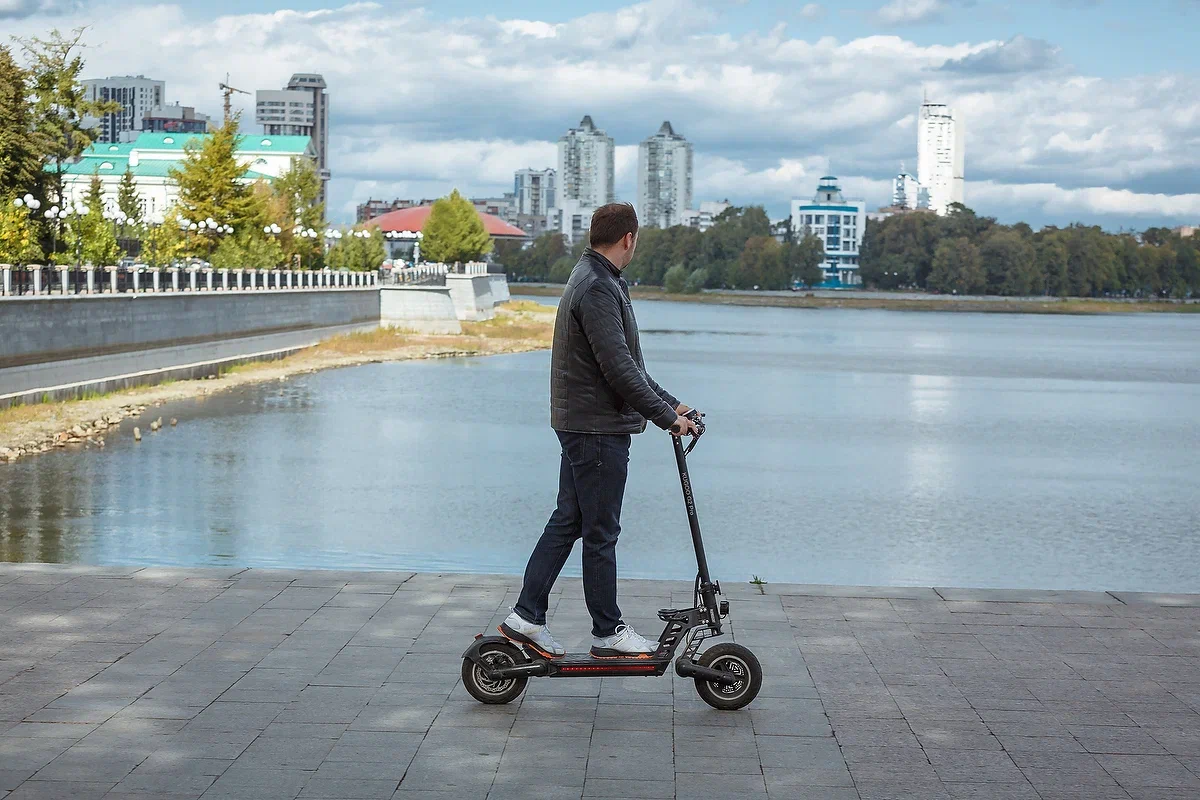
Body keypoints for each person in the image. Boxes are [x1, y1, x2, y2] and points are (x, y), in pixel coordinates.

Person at [501, 203, 698, 658]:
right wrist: (667, 418)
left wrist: (673, 404)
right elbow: (619, 372)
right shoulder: (598, 288)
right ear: (628, 238)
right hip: (596, 430)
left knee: (569, 519)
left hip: (584, 423)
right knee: (601, 530)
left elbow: (626, 365)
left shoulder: (594, 279)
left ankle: (526, 617)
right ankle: (608, 632)